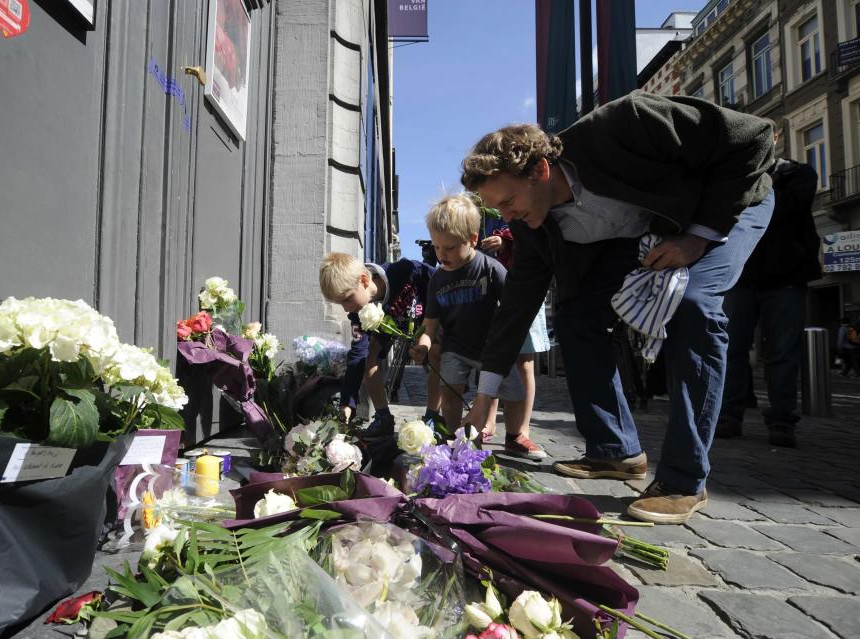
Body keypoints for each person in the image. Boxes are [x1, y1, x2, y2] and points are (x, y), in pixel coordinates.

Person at [459, 91, 775, 524]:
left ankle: (684, 481)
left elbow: (755, 136)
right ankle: (615, 450)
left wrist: (698, 236)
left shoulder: (627, 121)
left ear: (540, 170)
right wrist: (484, 395)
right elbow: (515, 308)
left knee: (694, 305)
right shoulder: (533, 227)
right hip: (651, 232)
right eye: (497, 209)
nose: (506, 217)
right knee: (575, 317)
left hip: (732, 203)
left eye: (508, 202)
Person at [410, 194, 545, 459]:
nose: (441, 255)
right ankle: (455, 438)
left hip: (491, 350)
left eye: (449, 248)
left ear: (472, 239)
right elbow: (431, 323)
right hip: (455, 347)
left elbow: (512, 309)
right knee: (450, 392)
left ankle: (515, 436)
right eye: (437, 247)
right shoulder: (438, 279)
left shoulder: (490, 268)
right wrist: (423, 344)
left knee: (515, 395)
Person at [717, 119, 820, 448]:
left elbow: (786, 208)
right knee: (732, 350)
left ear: (776, 138)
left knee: (783, 352)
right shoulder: (735, 178)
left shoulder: (798, 174)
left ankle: (781, 420)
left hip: (786, 278)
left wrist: (758, 182)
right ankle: (729, 416)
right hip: (742, 276)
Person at [319, 253, 441, 436]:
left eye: (347, 298)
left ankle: (432, 417)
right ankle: (383, 417)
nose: (346, 308)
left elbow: (438, 280)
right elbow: (356, 356)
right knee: (369, 357)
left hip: (425, 318)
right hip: (389, 324)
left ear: (364, 280)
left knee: (436, 352)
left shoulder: (404, 271)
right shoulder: (358, 314)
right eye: (340, 303)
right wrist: (346, 404)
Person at [478, 209, 550, 453]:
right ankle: (489, 421)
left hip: (525, 288)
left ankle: (522, 429)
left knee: (524, 363)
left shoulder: (518, 200)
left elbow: (539, 231)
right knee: (494, 359)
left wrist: (506, 240)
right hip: (492, 292)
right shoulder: (479, 210)